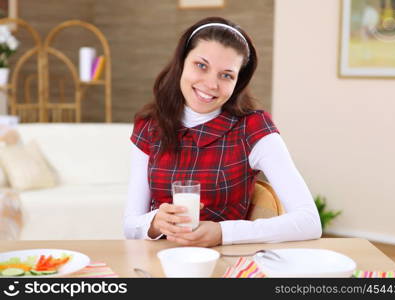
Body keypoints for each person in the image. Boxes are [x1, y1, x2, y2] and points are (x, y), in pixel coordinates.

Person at [124, 16, 321, 247]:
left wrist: (222, 233)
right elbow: (130, 226)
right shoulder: (150, 126)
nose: (211, 84)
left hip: (228, 263)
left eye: (226, 75)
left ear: (238, 81)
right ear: (181, 63)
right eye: (201, 65)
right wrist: (155, 222)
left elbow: (309, 221)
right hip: (160, 261)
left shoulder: (253, 128)